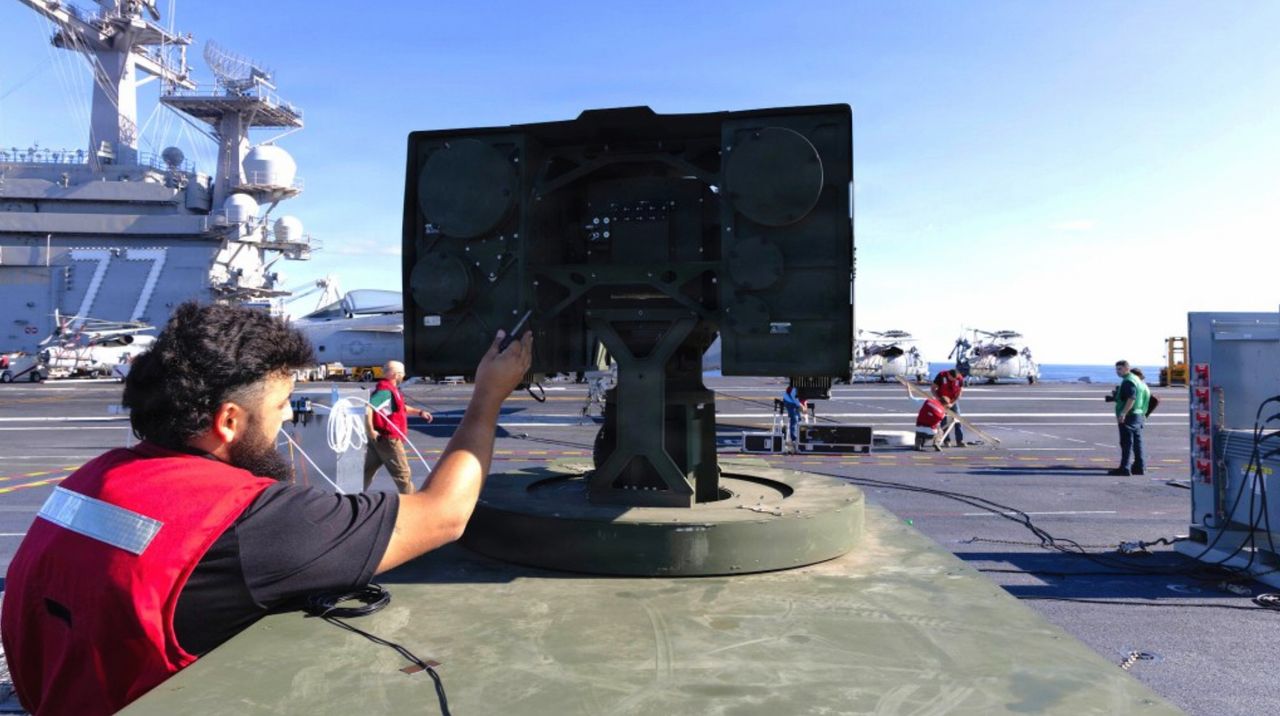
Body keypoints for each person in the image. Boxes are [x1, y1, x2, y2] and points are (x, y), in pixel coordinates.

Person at [0, 302, 532, 715]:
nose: (286, 422)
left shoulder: (89, 480)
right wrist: (488, 397)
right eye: (280, 407)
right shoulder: (248, 520)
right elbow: (443, 514)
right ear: (229, 421)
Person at [364, 359, 432, 494]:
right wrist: (370, 430)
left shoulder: (390, 391)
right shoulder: (385, 392)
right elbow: (368, 407)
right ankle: (412, 502)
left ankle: (352, 496)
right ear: (396, 375)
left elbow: (401, 408)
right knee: (403, 475)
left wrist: (419, 412)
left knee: (366, 472)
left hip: (379, 440)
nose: (403, 376)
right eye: (401, 374)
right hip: (389, 440)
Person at [1109, 359, 1149, 476]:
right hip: (1138, 414)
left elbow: (1131, 398)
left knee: (1126, 442)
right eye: (1116, 369)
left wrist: (1123, 413)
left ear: (1127, 368)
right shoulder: (1137, 380)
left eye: (1120, 369)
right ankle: (1139, 467)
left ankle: (1125, 468)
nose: (1117, 371)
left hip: (1129, 415)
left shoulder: (1128, 381)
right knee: (1137, 443)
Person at [931, 367, 966, 447]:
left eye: (955, 379)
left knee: (958, 419)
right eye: (952, 379)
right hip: (942, 401)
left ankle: (960, 440)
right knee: (944, 421)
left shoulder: (959, 378)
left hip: (953, 401)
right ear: (949, 375)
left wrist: (953, 403)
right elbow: (933, 388)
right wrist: (938, 399)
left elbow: (960, 391)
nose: (954, 380)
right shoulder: (941, 375)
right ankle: (946, 440)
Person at [780, 385, 806, 452]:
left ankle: (799, 437)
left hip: (796, 401)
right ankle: (794, 439)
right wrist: (801, 406)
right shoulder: (796, 387)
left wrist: (805, 406)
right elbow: (794, 396)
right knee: (794, 418)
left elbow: (805, 399)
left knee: (799, 419)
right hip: (789, 400)